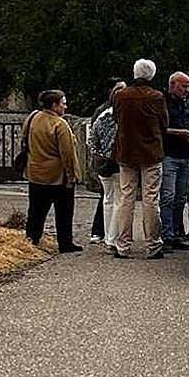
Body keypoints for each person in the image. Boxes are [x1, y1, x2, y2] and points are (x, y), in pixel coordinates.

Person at [111, 59, 168, 260]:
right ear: (152, 75)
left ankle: (123, 245)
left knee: (126, 198)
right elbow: (164, 123)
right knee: (151, 198)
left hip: (126, 151)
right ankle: (152, 244)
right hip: (151, 152)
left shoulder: (121, 96)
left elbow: (116, 118)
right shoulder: (156, 97)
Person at [21, 89, 84, 254]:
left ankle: (32, 239)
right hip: (57, 177)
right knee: (63, 212)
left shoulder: (33, 117)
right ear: (55, 105)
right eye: (63, 103)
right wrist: (72, 176)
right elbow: (68, 154)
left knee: (35, 210)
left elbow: (23, 139)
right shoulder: (60, 125)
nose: (65, 106)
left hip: (35, 173)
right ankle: (65, 242)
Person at [161, 71, 189, 250]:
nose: (187, 90)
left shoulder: (187, 103)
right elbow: (159, 129)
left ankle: (177, 232)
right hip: (169, 154)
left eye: (188, 87)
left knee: (181, 198)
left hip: (186, 154)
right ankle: (166, 234)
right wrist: (178, 132)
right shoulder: (163, 103)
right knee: (168, 197)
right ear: (173, 85)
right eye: (184, 86)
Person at [86, 80, 126, 252]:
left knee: (108, 199)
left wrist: (99, 154)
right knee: (119, 200)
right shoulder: (124, 116)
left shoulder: (102, 116)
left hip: (103, 163)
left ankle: (107, 235)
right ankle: (113, 238)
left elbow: (91, 140)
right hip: (119, 161)